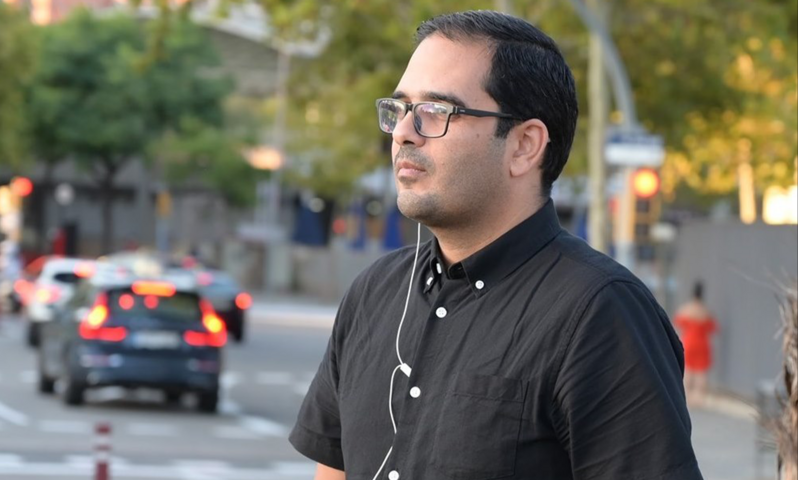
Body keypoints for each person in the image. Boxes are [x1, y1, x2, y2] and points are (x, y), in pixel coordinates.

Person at [290, 10, 703, 480]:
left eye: (435, 112)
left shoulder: (600, 312)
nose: (404, 132)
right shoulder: (374, 292)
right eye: (400, 109)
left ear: (525, 145)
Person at [674, 281, 719, 407]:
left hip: (688, 342)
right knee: (701, 371)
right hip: (702, 343)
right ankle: (699, 397)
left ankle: (687, 395)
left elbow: (678, 322)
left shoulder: (686, 308)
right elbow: (713, 328)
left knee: (688, 369)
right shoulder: (705, 310)